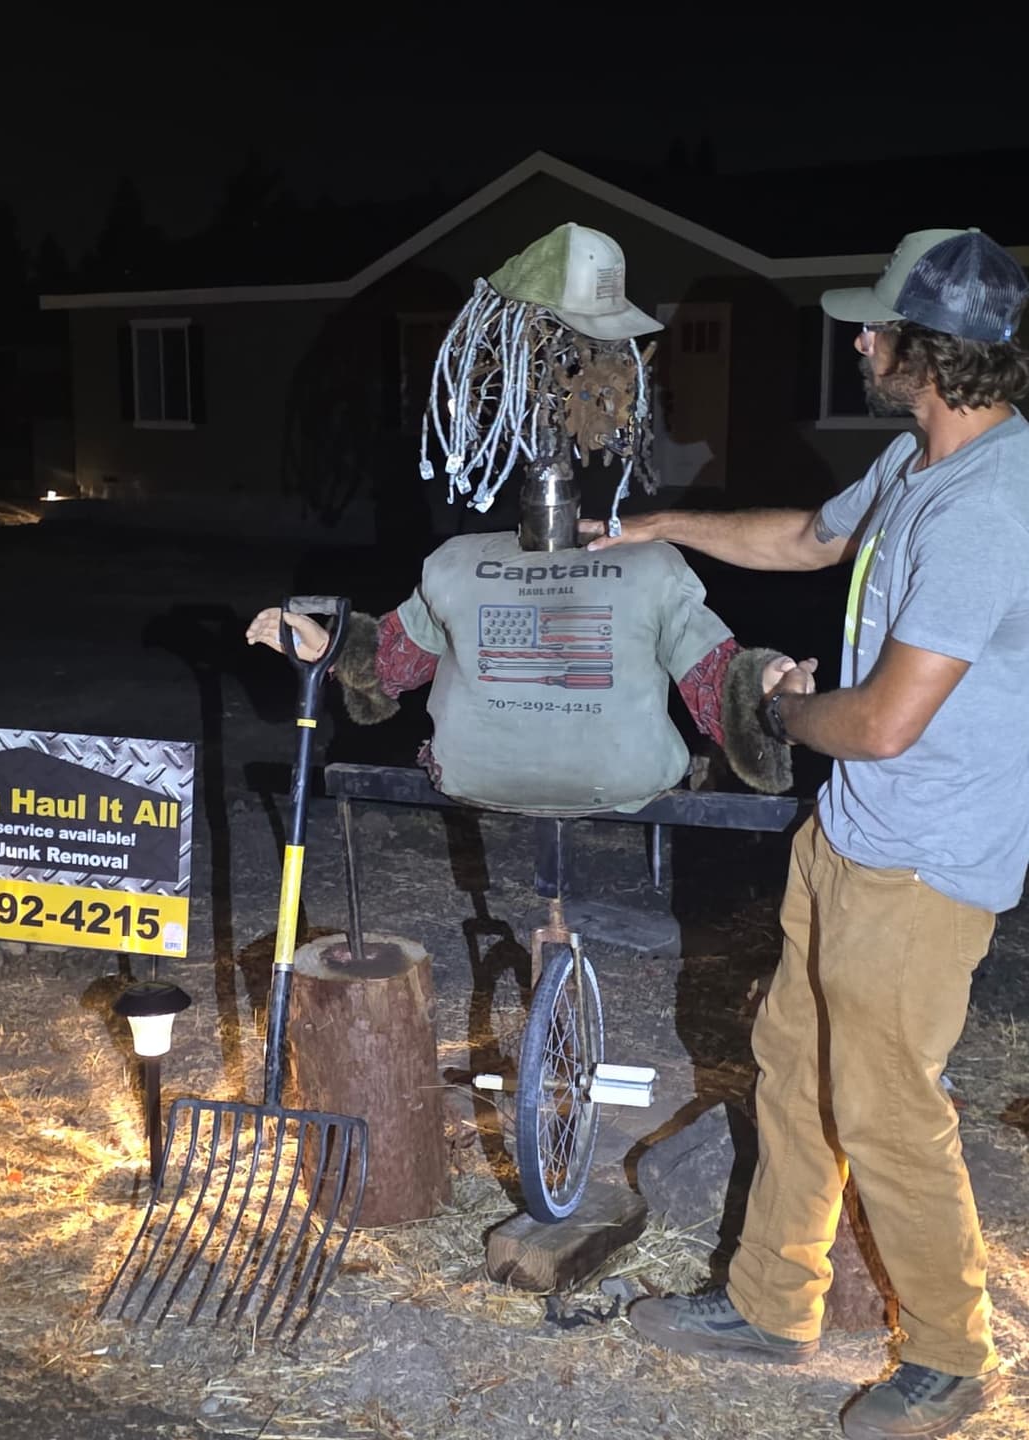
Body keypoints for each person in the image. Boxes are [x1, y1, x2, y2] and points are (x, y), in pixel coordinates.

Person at [582, 228, 1029, 1438]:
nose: (860, 338)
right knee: (793, 1067)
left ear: (930, 352)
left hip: (925, 860)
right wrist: (663, 527)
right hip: (849, 839)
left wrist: (782, 707)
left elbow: (882, 721)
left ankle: (949, 1358)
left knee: (887, 1107)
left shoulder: (989, 508)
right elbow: (807, 540)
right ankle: (773, 1303)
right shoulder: (911, 465)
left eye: (878, 326)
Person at [247, 224, 814, 813]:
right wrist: (329, 648)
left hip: (558, 777)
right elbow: (392, 657)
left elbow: (718, 683)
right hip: (582, 780)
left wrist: (769, 700)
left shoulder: (643, 567)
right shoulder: (464, 565)